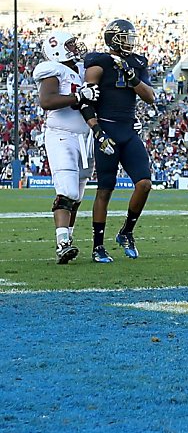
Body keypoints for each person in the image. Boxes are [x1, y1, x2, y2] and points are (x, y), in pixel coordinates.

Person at [33, 29, 115, 264]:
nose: (74, 48)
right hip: (61, 134)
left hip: (84, 136)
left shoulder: (80, 70)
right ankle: (61, 242)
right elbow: (47, 101)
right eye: (69, 44)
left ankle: (67, 240)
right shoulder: (53, 70)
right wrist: (78, 97)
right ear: (57, 48)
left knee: (77, 195)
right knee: (67, 190)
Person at [83, 19, 156, 263]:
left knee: (144, 183)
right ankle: (97, 246)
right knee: (105, 190)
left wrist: (131, 75)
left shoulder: (136, 62)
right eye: (126, 37)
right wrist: (97, 130)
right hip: (107, 130)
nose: (131, 41)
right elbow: (86, 101)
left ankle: (126, 232)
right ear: (113, 38)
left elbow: (150, 97)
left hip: (128, 131)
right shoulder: (99, 62)